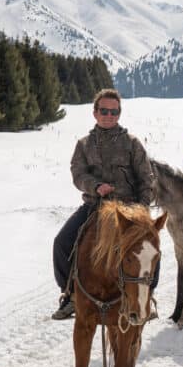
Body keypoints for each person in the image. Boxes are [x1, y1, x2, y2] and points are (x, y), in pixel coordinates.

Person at [51, 88, 156, 320]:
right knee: (61, 243)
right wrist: (95, 186)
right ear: (95, 113)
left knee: (149, 248)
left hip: (128, 209)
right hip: (95, 207)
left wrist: (142, 208)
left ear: (119, 113)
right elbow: (78, 174)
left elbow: (146, 177)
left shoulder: (132, 143)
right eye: (104, 111)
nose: (109, 115)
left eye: (114, 111)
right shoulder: (84, 144)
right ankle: (70, 295)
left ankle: (148, 296)